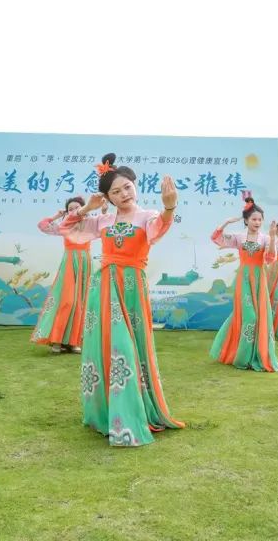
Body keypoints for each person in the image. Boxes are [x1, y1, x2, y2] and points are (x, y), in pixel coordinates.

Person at [61, 153, 184, 447]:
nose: (124, 194)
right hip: (103, 287)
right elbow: (66, 229)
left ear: (135, 185)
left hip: (131, 289)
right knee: (104, 344)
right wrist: (87, 209)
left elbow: (159, 229)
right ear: (108, 197)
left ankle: (130, 412)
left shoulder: (148, 216)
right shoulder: (102, 220)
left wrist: (169, 207)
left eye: (127, 187)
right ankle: (105, 412)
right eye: (115, 192)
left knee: (128, 346)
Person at [208, 192, 278, 372]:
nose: (257, 222)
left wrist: (273, 238)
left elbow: (270, 258)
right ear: (247, 220)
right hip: (243, 279)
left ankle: (252, 356)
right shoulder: (239, 238)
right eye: (254, 219)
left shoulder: (265, 238)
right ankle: (241, 356)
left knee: (258, 317)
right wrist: (226, 223)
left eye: (260, 220)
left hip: (259, 279)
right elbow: (216, 238)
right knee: (250, 317)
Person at [31, 196, 94, 354]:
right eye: (70, 209)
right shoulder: (64, 225)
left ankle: (73, 342)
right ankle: (57, 340)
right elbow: (42, 225)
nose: (73, 211)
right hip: (70, 261)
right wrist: (56, 216)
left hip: (85, 262)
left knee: (81, 302)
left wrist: (104, 210)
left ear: (84, 208)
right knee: (67, 301)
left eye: (77, 207)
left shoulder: (90, 223)